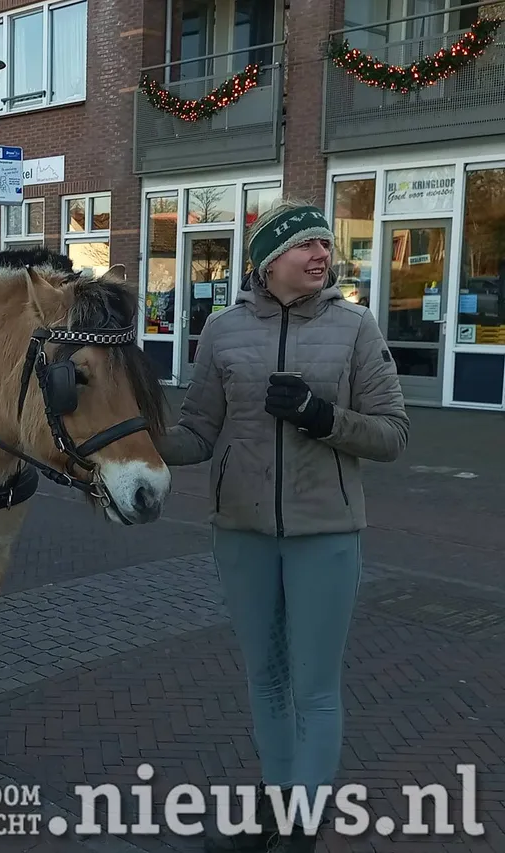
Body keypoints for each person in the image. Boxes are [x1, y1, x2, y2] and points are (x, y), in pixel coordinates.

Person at [155, 199, 409, 852]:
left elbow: (392, 434)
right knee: (265, 676)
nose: (322, 255)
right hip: (240, 530)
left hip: (326, 532)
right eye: (307, 247)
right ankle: (274, 804)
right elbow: (197, 431)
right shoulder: (221, 330)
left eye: (325, 245)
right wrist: (138, 437)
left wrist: (324, 417)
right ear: (269, 262)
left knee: (313, 686)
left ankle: (301, 828)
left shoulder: (355, 327)